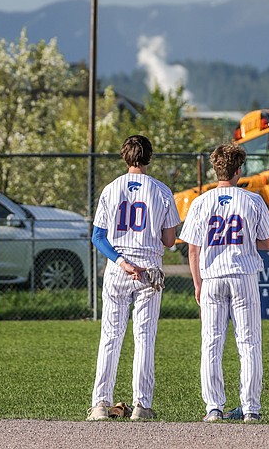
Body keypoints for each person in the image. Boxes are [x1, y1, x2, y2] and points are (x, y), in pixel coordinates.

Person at [87, 135, 181, 422]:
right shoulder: (162, 191)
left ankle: (100, 405)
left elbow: (98, 237)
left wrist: (120, 261)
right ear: (149, 157)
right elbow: (169, 239)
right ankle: (141, 405)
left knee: (110, 338)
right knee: (144, 338)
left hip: (118, 267)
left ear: (124, 157)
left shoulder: (111, 188)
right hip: (148, 268)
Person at [181, 143, 269, 423]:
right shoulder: (252, 200)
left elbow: (193, 249)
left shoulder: (201, 201)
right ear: (239, 170)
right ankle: (251, 408)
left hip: (211, 276)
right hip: (242, 274)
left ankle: (214, 407)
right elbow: (268, 242)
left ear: (216, 169)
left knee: (211, 343)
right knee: (248, 343)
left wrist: (197, 284)